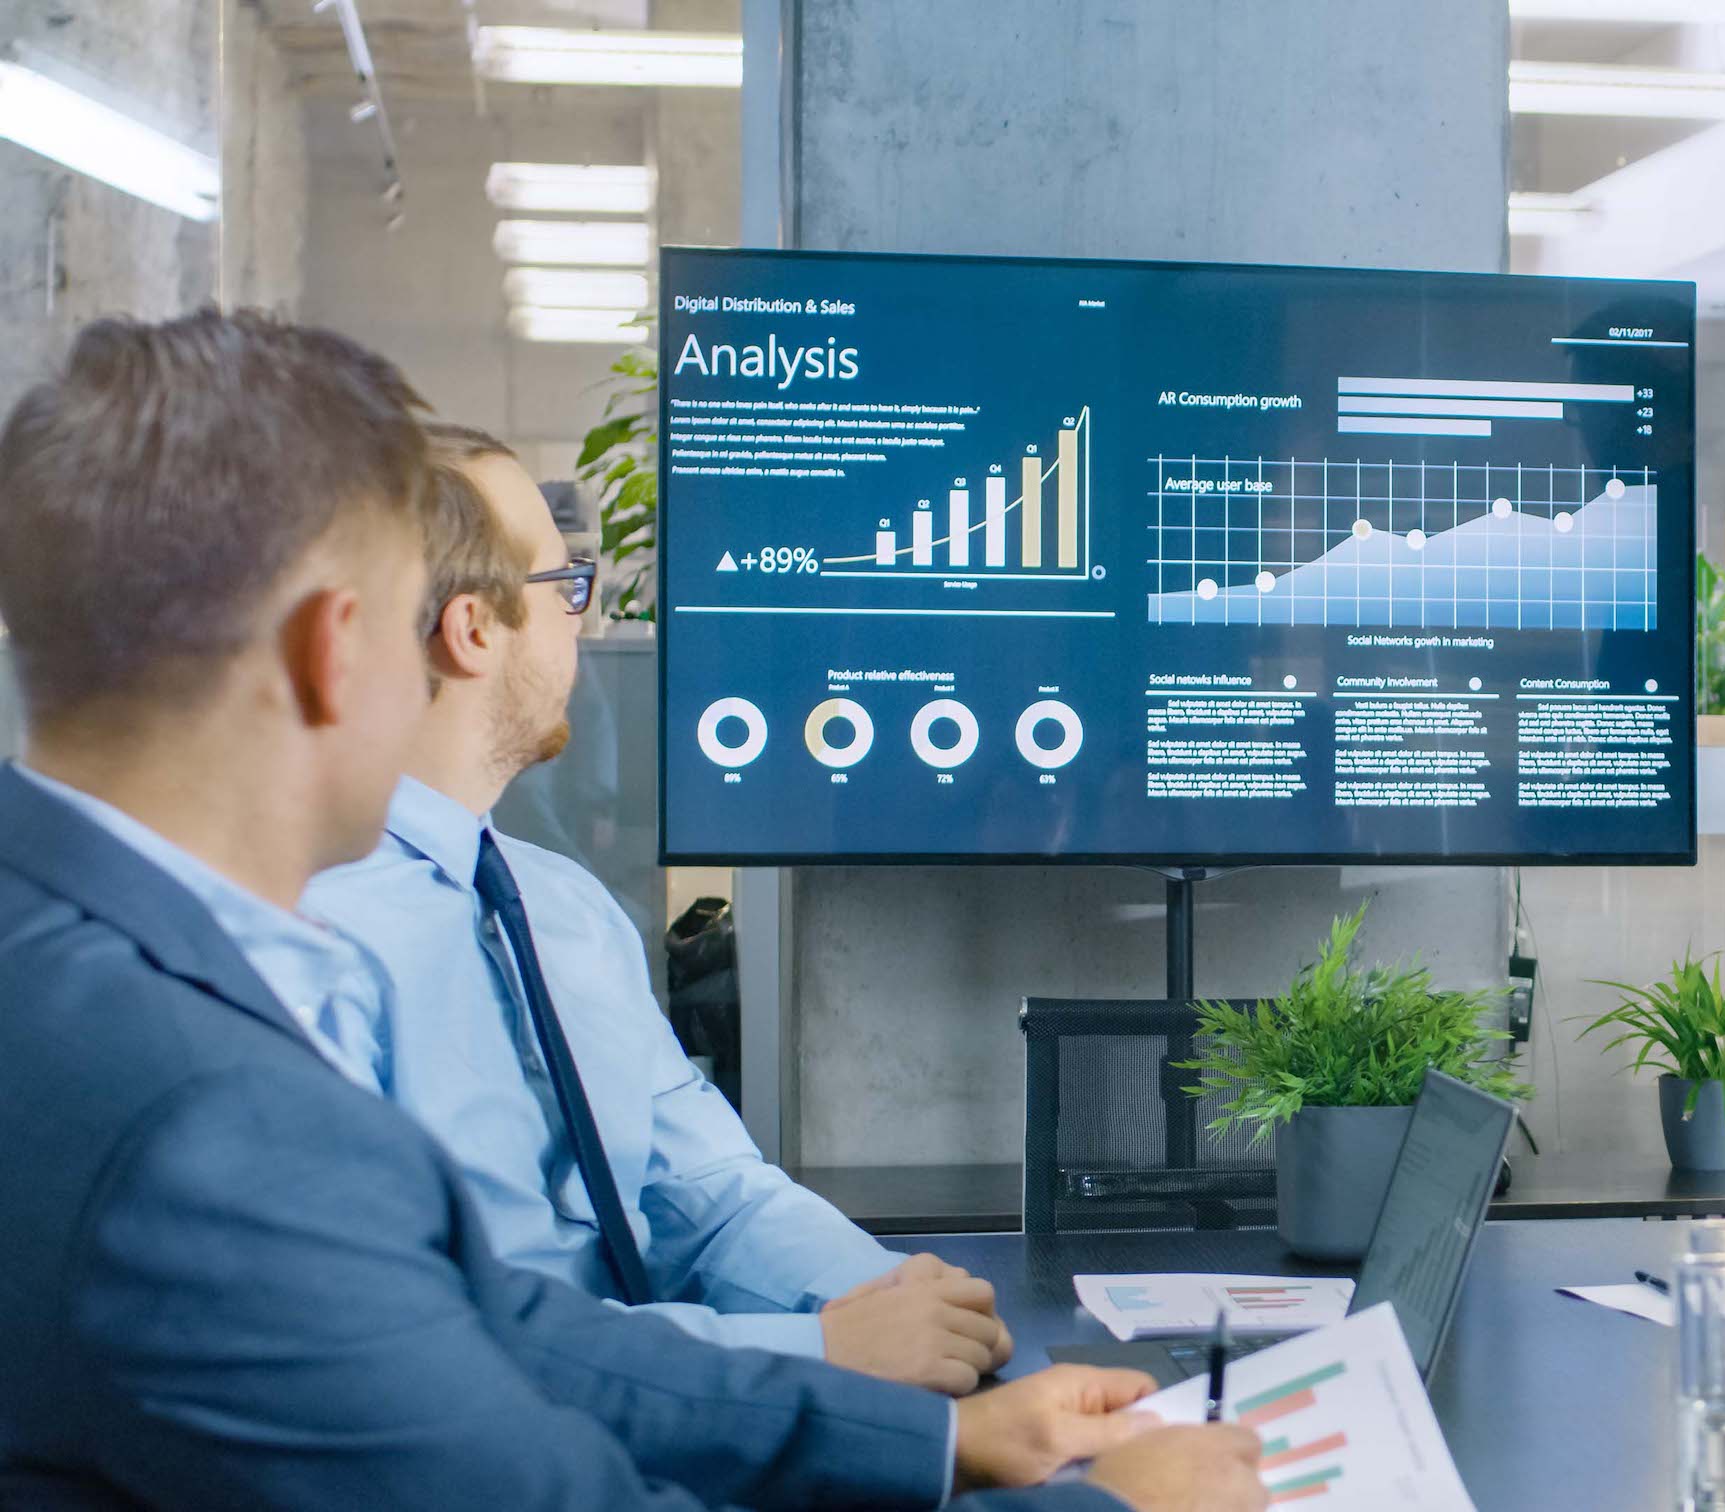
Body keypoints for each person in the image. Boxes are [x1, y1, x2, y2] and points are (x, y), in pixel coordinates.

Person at [0, 308, 1261, 1511]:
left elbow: (504, 1329)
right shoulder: (205, 1125)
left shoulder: (76, 962)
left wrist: (931, 1438)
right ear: (341, 650)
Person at [302, 424, 1004, 1392]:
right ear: (472, 630)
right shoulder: (308, 938)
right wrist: (821, 1353)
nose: (580, 623)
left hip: (679, 1417)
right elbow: (428, 1338)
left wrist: (895, 1297)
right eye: (565, 588)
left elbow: (707, 1192)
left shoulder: (563, 911)